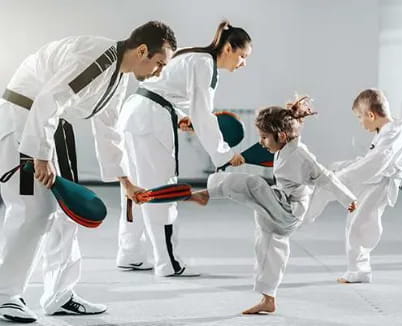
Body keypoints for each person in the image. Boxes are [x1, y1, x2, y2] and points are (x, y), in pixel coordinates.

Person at [0, 21, 176, 323]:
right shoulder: (99, 58)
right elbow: (48, 100)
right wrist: (39, 156)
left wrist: (125, 181)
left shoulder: (118, 77)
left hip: (49, 129)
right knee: (33, 211)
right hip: (23, 125)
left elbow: (108, 129)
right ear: (143, 50)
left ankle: (60, 294)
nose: (160, 71)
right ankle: (4, 296)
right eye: (160, 63)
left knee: (67, 212)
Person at [188, 96, 358, 314]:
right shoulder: (282, 148)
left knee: (253, 183)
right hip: (278, 206)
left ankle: (207, 193)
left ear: (282, 135)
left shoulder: (300, 154)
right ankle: (268, 298)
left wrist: (348, 198)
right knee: (268, 248)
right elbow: (261, 151)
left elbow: (326, 177)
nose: (261, 142)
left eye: (264, 137)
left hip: (289, 210)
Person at [116, 20, 250, 277]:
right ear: (229, 48)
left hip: (135, 113)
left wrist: (179, 118)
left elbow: (163, 90)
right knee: (160, 190)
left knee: (136, 190)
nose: (243, 63)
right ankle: (168, 263)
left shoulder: (193, 55)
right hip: (151, 119)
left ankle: (130, 253)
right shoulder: (205, 64)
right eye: (242, 56)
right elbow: (202, 113)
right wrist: (224, 154)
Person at [305, 89, 402, 283]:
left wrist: (343, 177)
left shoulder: (392, 134)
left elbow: (376, 163)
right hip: (374, 180)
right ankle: (357, 269)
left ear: (371, 115)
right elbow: (371, 160)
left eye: (359, 117)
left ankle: (360, 271)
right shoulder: (387, 132)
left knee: (361, 224)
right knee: (354, 219)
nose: (360, 122)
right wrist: (343, 169)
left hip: (380, 184)